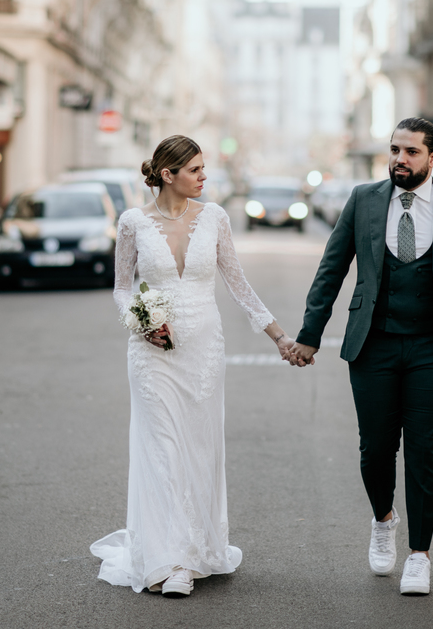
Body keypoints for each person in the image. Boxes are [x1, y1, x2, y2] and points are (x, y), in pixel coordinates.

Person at [288, 117, 433, 596]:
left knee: (425, 452)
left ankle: (420, 555)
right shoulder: (363, 200)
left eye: (410, 152)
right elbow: (331, 269)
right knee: (376, 448)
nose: (399, 159)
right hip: (374, 343)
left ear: (432, 158)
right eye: (394, 150)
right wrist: (309, 334)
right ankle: (383, 519)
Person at [91, 135, 300, 597]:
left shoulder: (216, 219)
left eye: (204, 170)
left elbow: (239, 285)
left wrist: (280, 336)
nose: (205, 178)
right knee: (162, 449)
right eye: (196, 170)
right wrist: (140, 322)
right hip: (151, 354)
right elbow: (123, 288)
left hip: (204, 350)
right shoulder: (132, 223)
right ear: (168, 175)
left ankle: (197, 546)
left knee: (199, 451)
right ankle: (171, 561)